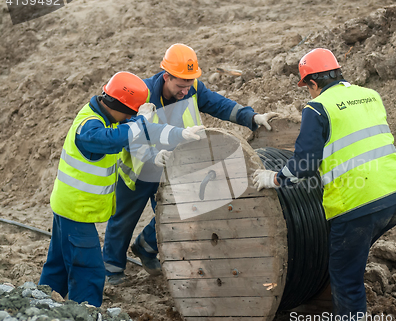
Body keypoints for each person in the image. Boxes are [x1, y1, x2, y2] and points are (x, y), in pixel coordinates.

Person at [253, 48, 396, 321]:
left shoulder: (317, 107)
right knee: (350, 256)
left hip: (358, 204)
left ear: (312, 83)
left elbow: (305, 163)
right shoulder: (370, 95)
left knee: (344, 274)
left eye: (308, 88)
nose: (309, 93)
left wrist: (275, 178)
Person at [102, 43, 278, 284]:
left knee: (178, 214)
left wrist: (252, 117)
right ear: (166, 77)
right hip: (140, 168)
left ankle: (145, 247)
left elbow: (220, 105)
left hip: (174, 166)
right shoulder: (140, 94)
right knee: (123, 218)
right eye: (180, 86)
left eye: (189, 85)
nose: (186, 91)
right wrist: (153, 158)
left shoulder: (193, 87)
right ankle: (112, 270)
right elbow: (127, 135)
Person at [38, 71, 203, 307]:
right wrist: (141, 122)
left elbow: (144, 131)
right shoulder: (90, 129)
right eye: (130, 113)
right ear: (118, 104)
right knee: (89, 270)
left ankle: (41, 302)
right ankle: (86, 316)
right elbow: (114, 139)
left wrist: (180, 133)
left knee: (58, 263)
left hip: (68, 206)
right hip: (77, 211)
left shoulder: (105, 115)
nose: (130, 117)